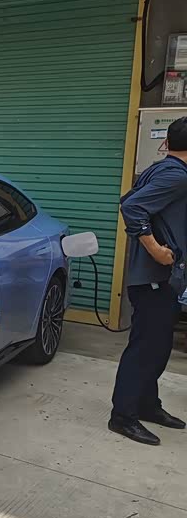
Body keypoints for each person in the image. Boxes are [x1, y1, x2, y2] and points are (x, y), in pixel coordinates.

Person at [110, 117, 187, 444]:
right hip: (155, 277)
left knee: (157, 345)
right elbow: (131, 206)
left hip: (159, 279)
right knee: (146, 348)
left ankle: (146, 404)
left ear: (168, 142)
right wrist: (156, 249)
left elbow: (130, 198)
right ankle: (122, 416)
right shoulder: (176, 176)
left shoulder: (160, 169)